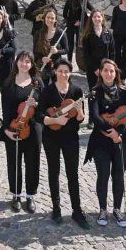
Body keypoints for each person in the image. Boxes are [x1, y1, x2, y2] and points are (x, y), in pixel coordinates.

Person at [37, 58, 89, 228]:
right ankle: (56, 208)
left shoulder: (77, 91)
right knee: (54, 172)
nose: (63, 74)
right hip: (51, 137)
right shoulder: (48, 91)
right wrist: (54, 120)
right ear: (56, 72)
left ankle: (77, 210)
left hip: (71, 138)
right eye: (60, 71)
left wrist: (80, 111)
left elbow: (81, 119)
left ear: (70, 73)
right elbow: (38, 115)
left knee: (72, 173)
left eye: (66, 71)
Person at [85, 59, 126, 227]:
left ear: (116, 73)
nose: (108, 73)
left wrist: (118, 133)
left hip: (121, 139)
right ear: (100, 72)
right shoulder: (94, 92)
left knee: (119, 176)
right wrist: (109, 131)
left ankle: (117, 209)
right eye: (105, 70)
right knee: (103, 175)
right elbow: (95, 117)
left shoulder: (124, 91)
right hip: (100, 140)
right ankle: (102, 209)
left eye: (111, 71)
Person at [0, 51, 42, 213]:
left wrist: (36, 104)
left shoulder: (37, 82)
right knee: (14, 162)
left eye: (28, 62)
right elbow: (6, 110)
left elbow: (44, 108)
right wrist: (7, 130)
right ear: (16, 63)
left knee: (33, 163)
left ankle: (30, 195)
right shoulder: (8, 83)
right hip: (14, 128)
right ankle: (16, 195)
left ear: (31, 65)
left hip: (33, 128)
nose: (24, 64)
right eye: (22, 61)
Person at [83, 9, 115, 91]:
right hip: (92, 69)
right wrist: (95, 69)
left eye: (98, 16)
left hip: (106, 69)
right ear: (91, 19)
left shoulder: (108, 33)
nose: (97, 19)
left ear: (102, 18)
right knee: (94, 91)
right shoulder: (87, 35)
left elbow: (112, 52)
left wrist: (110, 68)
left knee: (106, 91)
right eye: (94, 17)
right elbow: (86, 55)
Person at [34, 9, 67, 85]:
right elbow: (35, 51)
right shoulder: (38, 33)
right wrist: (42, 58)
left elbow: (66, 50)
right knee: (43, 89)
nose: (50, 20)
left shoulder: (60, 33)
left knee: (56, 88)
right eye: (48, 17)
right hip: (43, 66)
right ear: (44, 18)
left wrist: (57, 51)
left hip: (56, 66)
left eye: (52, 18)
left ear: (55, 20)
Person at [62, 0, 91, 64]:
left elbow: (91, 9)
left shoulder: (84, 0)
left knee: (79, 46)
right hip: (71, 25)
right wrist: (73, 22)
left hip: (81, 26)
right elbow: (65, 14)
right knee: (70, 45)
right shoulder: (69, 0)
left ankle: (80, 63)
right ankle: (69, 62)